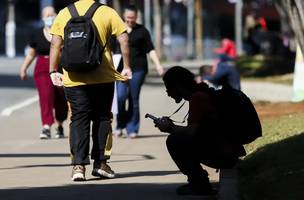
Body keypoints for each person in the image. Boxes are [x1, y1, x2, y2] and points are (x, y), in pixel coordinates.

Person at [49, 0, 132, 181]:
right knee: (102, 117)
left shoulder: (64, 13)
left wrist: (53, 70)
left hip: (73, 77)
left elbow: (55, 44)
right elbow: (124, 39)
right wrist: (126, 66)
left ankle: (78, 166)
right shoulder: (107, 12)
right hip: (103, 76)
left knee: (78, 118)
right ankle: (101, 163)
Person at [153, 66, 246, 196]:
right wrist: (172, 128)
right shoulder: (200, 94)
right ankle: (199, 182)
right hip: (226, 151)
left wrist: (170, 128)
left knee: (174, 141)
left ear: (178, 86)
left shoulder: (198, 98)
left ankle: (199, 184)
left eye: (169, 87)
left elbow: (191, 133)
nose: (168, 92)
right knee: (178, 138)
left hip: (223, 154)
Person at [114, 5, 164, 138]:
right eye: (128, 17)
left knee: (133, 98)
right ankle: (120, 125)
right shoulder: (117, 29)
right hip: (120, 69)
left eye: (133, 17)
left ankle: (132, 128)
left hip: (138, 69)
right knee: (120, 98)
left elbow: (150, 49)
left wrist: (158, 65)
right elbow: (109, 50)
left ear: (137, 17)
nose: (131, 20)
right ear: (124, 16)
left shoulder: (142, 31)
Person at [20, 6, 68, 139]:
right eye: (47, 15)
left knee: (61, 98)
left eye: (52, 14)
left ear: (57, 15)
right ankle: (46, 126)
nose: (49, 18)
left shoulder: (63, 32)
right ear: (42, 18)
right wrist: (24, 68)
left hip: (60, 66)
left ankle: (60, 124)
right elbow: (31, 54)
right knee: (46, 96)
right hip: (42, 67)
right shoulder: (37, 33)